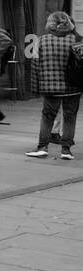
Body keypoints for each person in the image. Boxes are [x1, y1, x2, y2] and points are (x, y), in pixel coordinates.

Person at [26, 11, 83, 161]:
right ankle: (66, 150)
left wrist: (35, 88)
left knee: (47, 117)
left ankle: (42, 147)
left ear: (50, 23)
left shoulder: (41, 40)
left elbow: (35, 65)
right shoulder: (77, 40)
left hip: (49, 87)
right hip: (73, 87)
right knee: (70, 117)